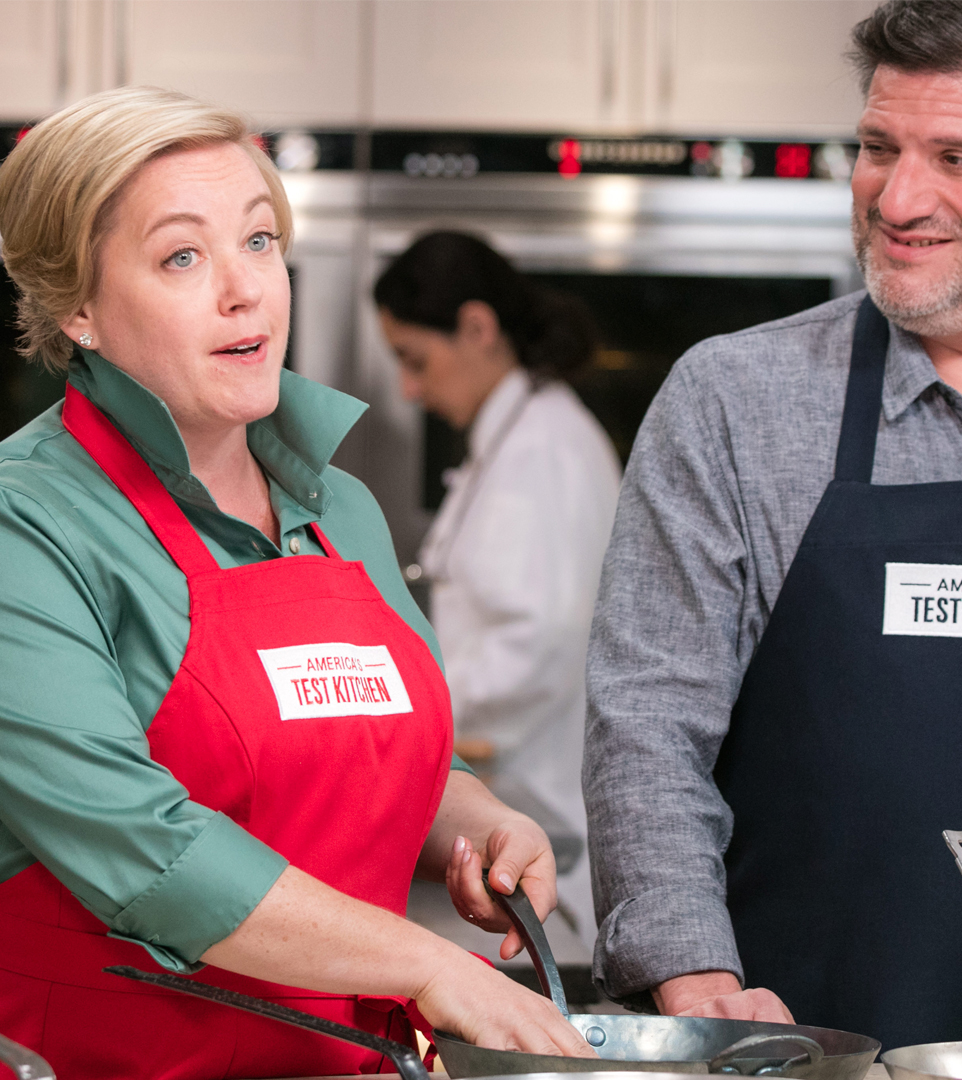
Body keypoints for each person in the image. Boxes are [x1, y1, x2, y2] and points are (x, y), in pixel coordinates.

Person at [0, 87, 595, 1079]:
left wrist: (479, 822)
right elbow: (146, 849)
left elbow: (382, 752)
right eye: (181, 256)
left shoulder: (343, 510)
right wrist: (424, 965)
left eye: (262, 241)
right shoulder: (27, 524)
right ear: (79, 307)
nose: (247, 291)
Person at [584, 0, 962, 1052]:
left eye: (956, 156)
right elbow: (648, 723)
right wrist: (694, 980)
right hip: (795, 1053)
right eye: (876, 147)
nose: (898, 197)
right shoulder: (735, 401)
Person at [375, 232, 622, 943]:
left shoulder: (542, 448)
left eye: (414, 359)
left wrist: (411, 716)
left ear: (477, 328)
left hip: (533, 810)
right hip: (511, 808)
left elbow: (537, 643)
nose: (410, 389)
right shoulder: (517, 435)